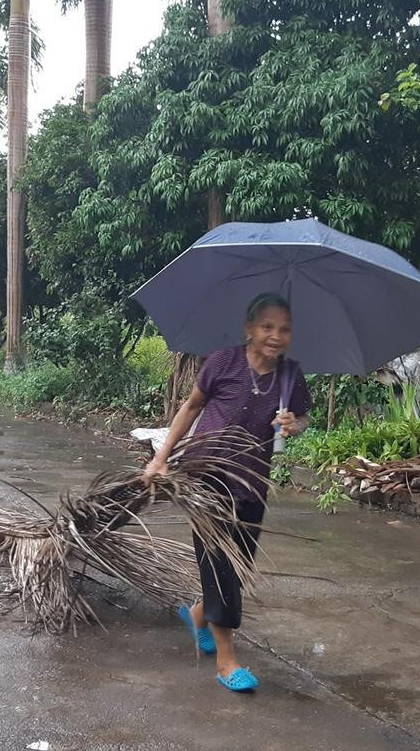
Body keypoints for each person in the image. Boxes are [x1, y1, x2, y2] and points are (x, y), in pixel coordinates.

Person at [143, 293, 311, 693]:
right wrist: (161, 458)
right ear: (249, 329)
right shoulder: (223, 361)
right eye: (267, 327)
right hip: (207, 478)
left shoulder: (290, 376)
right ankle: (226, 661)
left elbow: (303, 418)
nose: (275, 335)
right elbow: (190, 408)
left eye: (284, 329)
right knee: (218, 563)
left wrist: (293, 424)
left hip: (252, 482)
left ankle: (198, 614)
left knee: (238, 566)